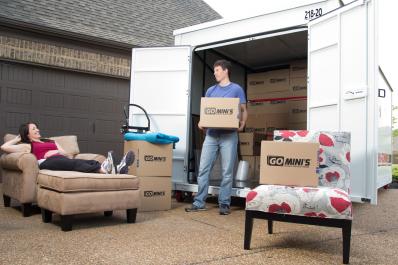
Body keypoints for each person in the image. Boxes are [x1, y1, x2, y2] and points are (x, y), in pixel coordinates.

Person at [185, 59, 247, 215]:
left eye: (217, 70)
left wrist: (243, 123)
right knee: (203, 170)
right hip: (211, 135)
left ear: (226, 71)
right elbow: (207, 112)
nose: (215, 73)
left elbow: (244, 109)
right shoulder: (210, 91)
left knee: (227, 171)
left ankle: (224, 204)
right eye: (214, 70)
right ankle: (199, 202)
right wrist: (201, 122)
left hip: (229, 136)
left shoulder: (236, 89)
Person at [0, 122, 134, 174]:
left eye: (37, 127)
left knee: (78, 162)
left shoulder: (50, 141)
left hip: (59, 158)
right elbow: (4, 147)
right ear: (27, 133)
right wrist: (17, 138)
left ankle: (113, 169)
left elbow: (66, 154)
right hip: (47, 163)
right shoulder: (28, 145)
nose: (38, 129)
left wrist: (56, 151)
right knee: (74, 163)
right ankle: (111, 168)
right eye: (34, 129)